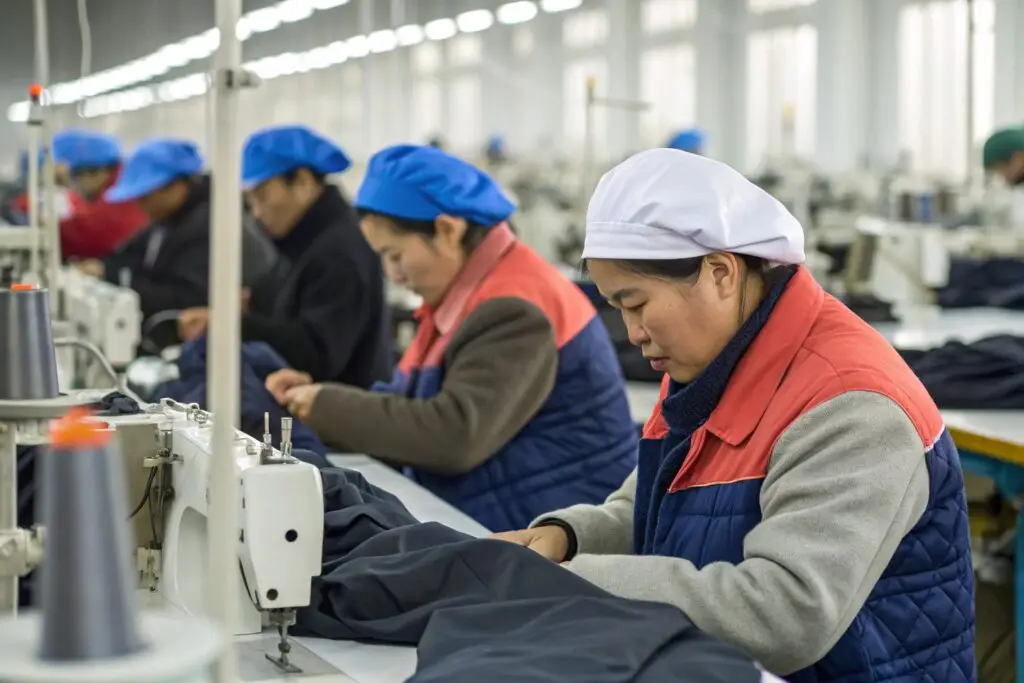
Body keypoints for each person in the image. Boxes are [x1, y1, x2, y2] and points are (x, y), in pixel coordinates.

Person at [494, 149, 975, 681]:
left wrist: (571, 582)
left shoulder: (851, 406)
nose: (632, 333)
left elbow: (785, 613)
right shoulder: (710, 364)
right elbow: (654, 507)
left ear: (720, 272)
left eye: (637, 304)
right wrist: (569, 537)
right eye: (618, 309)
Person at [266, 144, 638, 531]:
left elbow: (454, 436)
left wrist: (324, 406)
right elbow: (410, 401)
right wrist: (317, 397)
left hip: (553, 531)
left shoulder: (516, 307)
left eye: (395, 255)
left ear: (447, 230)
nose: (392, 274)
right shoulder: (464, 295)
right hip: (503, 510)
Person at [177, 125, 391, 388]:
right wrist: (248, 303)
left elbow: (317, 354)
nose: (257, 213)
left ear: (302, 181)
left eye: (262, 196)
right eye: (251, 201)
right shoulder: (304, 238)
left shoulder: (339, 251)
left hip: (340, 406)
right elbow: (287, 291)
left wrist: (234, 325)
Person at [74, 138, 275, 336]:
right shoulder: (167, 221)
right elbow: (129, 254)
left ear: (175, 186)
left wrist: (119, 280)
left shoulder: (210, 224)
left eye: (144, 196)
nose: (139, 204)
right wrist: (103, 268)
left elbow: (185, 299)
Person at [51, 129, 149, 261]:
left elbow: (84, 233)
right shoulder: (113, 184)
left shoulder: (121, 197)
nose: (73, 185)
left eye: (74, 176)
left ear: (92, 173)